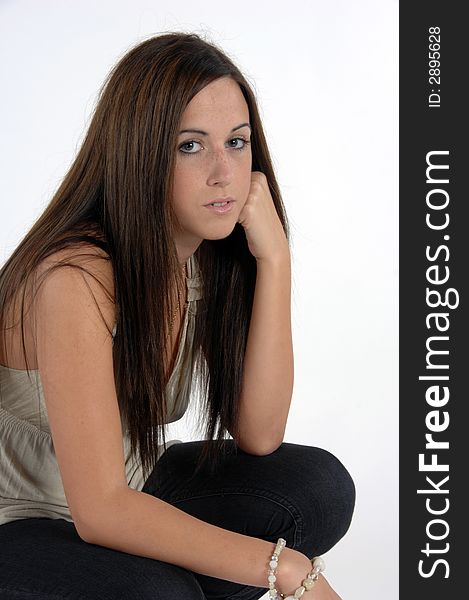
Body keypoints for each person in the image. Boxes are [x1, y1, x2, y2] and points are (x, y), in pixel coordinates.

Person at [0, 32, 355, 599]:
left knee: (317, 488)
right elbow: (101, 511)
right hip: (20, 523)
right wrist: (286, 569)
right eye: (190, 146)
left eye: (237, 143)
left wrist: (276, 259)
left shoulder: (203, 252)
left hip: (126, 490)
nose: (224, 172)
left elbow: (259, 435)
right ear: (139, 154)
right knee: (160, 592)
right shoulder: (75, 278)